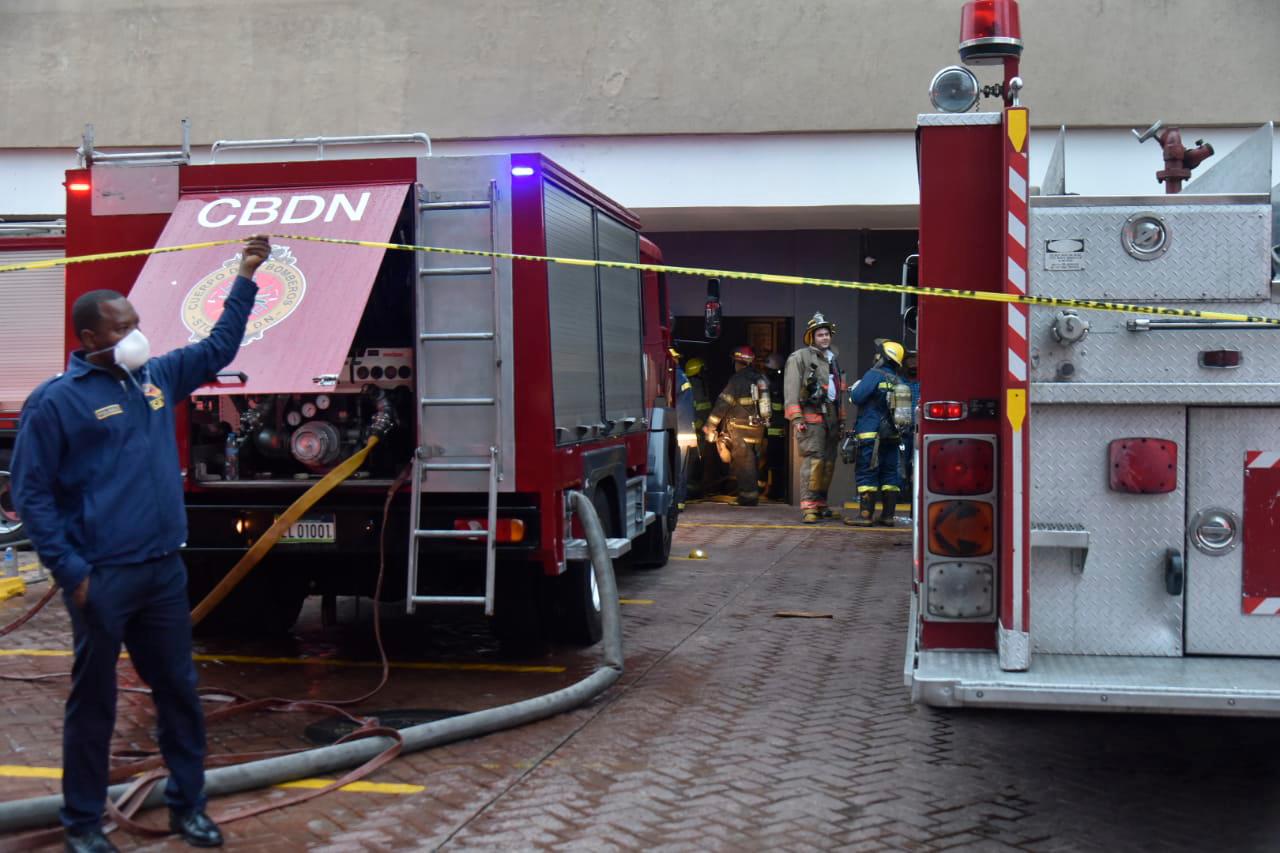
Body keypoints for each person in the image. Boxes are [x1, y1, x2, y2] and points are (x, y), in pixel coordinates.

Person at [11, 235, 273, 852]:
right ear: (91, 339)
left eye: (136, 322)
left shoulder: (154, 378)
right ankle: (82, 823)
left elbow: (217, 348)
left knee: (180, 692)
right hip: (101, 577)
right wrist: (71, 570)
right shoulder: (56, 403)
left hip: (162, 573)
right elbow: (32, 496)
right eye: (122, 327)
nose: (136, 334)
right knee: (94, 702)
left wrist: (244, 277)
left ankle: (189, 806)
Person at [783, 313, 846, 523]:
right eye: (820, 334)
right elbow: (791, 390)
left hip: (832, 419)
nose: (825, 338)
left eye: (827, 334)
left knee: (828, 464)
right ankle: (809, 506)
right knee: (814, 462)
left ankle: (820, 504)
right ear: (812, 337)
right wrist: (797, 418)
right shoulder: (799, 358)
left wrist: (841, 420)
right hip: (811, 419)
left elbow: (839, 394)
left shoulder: (832, 359)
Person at [847, 339, 907, 526]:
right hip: (892, 435)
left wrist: (855, 388)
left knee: (867, 472)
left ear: (882, 357)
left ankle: (865, 515)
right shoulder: (899, 380)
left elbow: (857, 397)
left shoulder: (874, 375)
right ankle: (888, 516)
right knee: (890, 473)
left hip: (870, 434)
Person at [703, 346, 771, 506]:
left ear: (737, 362)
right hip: (758, 428)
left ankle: (748, 497)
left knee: (744, 462)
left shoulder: (737, 380)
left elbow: (723, 404)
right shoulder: (760, 378)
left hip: (740, 428)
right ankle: (752, 494)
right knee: (753, 461)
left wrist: (710, 425)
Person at [683, 356, 714, 498]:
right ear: (697, 371)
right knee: (693, 459)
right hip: (696, 429)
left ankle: (694, 488)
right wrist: (700, 426)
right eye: (702, 369)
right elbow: (693, 410)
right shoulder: (694, 386)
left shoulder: (699, 384)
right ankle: (689, 490)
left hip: (700, 428)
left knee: (697, 460)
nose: (705, 372)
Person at [760, 351, 787, 499]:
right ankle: (770, 490)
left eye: (769, 370)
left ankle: (775, 492)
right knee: (769, 462)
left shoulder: (779, 386)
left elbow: (777, 408)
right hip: (771, 430)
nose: (766, 373)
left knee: (775, 464)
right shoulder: (773, 384)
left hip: (777, 432)